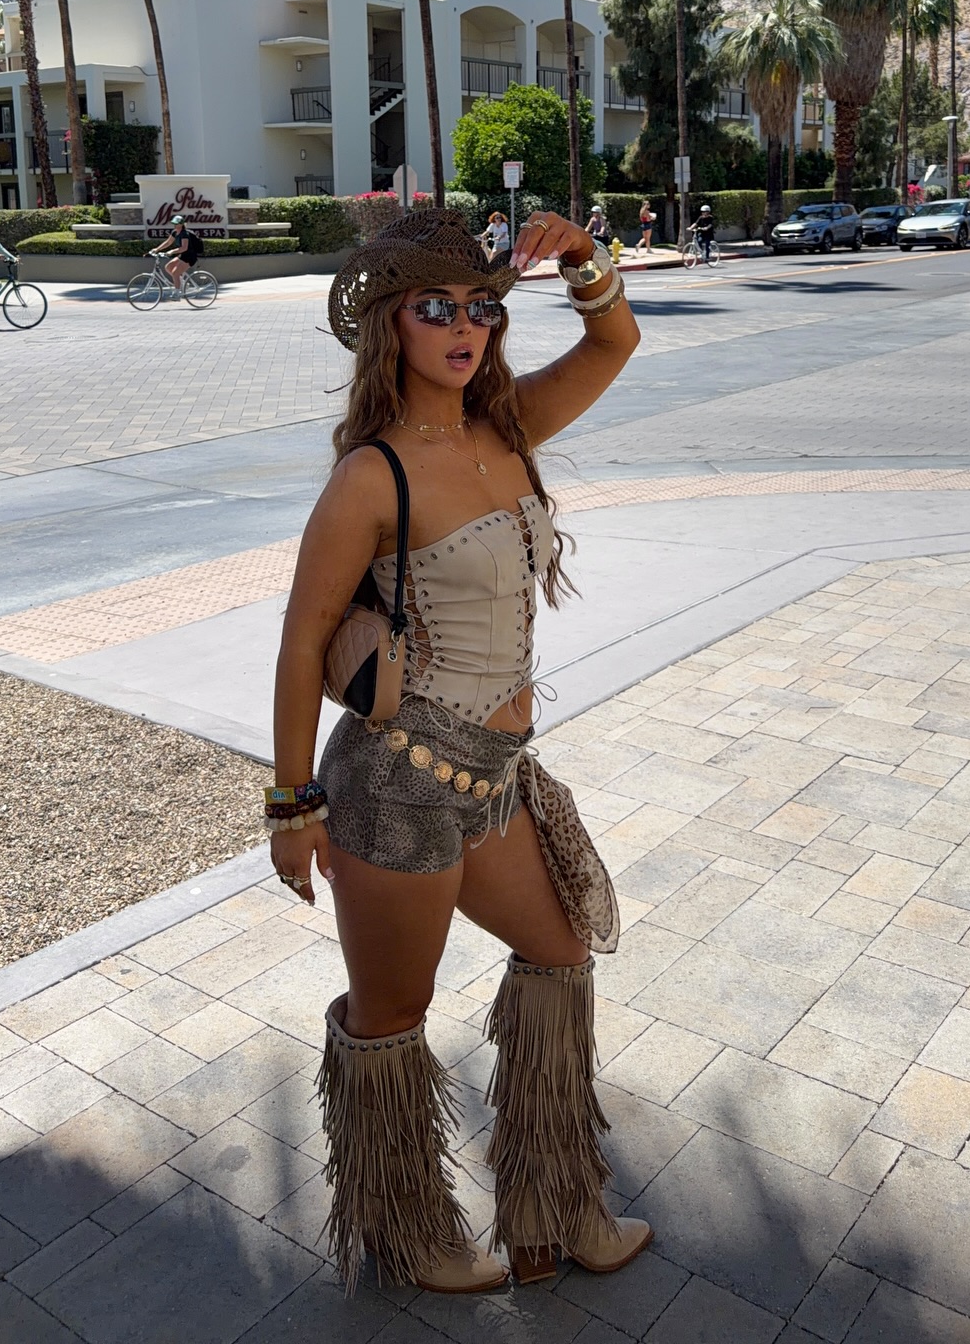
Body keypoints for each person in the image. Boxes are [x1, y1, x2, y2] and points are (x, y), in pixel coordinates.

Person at [270, 206, 649, 1296]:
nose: (464, 328)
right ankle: (409, 1233)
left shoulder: (508, 428)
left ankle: (554, 1207)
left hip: (495, 779)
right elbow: (301, 641)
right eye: (435, 308)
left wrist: (582, 256)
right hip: (395, 786)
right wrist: (292, 805)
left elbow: (614, 341)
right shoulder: (370, 476)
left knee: (560, 958)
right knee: (393, 1016)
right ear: (389, 325)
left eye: (480, 308)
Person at [156, 213, 203, 290]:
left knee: (175, 273)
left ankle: (177, 293)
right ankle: (183, 283)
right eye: (174, 223)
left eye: (177, 223)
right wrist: (157, 249)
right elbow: (168, 242)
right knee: (168, 267)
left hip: (190, 257)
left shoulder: (185, 234)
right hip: (183, 255)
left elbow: (184, 248)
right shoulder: (175, 232)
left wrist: (172, 251)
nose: (175, 225)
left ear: (181, 224)